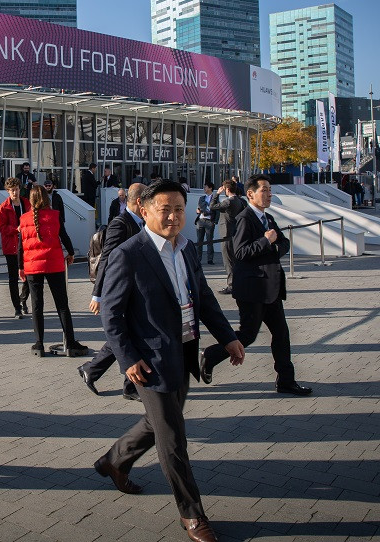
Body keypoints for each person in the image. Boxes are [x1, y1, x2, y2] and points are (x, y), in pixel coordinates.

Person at [96, 180, 243, 542]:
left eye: (179, 209)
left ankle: (113, 461)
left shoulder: (187, 249)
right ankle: (192, 516)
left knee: (158, 422)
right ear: (145, 211)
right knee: (174, 439)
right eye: (165, 209)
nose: (174, 217)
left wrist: (228, 337)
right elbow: (111, 315)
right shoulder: (129, 254)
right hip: (149, 362)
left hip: (183, 351)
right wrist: (128, 358)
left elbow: (204, 297)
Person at [200, 175, 312, 396]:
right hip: (252, 290)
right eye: (265, 190)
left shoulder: (267, 218)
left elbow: (284, 243)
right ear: (250, 194)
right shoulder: (244, 218)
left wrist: (272, 245)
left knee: (281, 334)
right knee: (249, 335)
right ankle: (211, 355)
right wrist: (266, 242)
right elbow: (240, 252)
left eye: (270, 190)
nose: (269, 194)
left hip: (271, 288)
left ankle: (286, 381)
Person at [81, 182, 146, 400]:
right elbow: (107, 259)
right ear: (139, 201)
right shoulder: (121, 224)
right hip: (121, 289)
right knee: (127, 334)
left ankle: (92, 370)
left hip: (135, 288)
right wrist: (97, 294)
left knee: (128, 334)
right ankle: (130, 386)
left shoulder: (140, 221)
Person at [18, 185, 83, 357]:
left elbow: (20, 246)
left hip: (32, 266)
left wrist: (20, 267)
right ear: (47, 199)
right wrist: (70, 253)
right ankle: (70, 342)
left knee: (37, 306)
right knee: (62, 305)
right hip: (54, 264)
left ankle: (39, 344)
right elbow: (65, 236)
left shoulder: (24, 219)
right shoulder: (55, 216)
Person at [0, 178, 31, 318]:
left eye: (17, 189)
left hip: (27, 245)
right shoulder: (3, 207)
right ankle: (17, 307)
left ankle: (23, 299)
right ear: (8, 191)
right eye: (12, 190)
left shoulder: (27, 203)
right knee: (13, 278)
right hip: (11, 246)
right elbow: (2, 228)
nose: (15, 192)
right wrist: (16, 229)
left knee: (30, 276)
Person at [209, 180, 246, 294]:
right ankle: (239, 283)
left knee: (228, 260)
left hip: (227, 234)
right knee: (235, 259)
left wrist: (217, 194)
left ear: (227, 190)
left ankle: (231, 285)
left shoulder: (228, 202)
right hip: (236, 232)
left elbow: (212, 206)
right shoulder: (241, 201)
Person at [194, 182, 218, 266]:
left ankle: (210, 259)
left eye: (206, 187)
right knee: (199, 240)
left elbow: (215, 209)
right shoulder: (202, 198)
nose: (204, 189)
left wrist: (214, 220)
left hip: (209, 221)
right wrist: (201, 211)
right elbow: (199, 208)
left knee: (209, 241)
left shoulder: (215, 198)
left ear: (210, 188)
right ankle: (198, 259)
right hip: (200, 220)